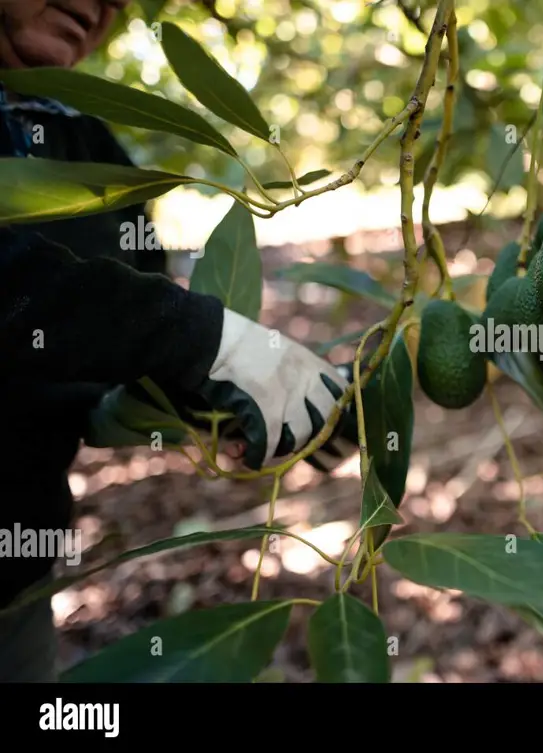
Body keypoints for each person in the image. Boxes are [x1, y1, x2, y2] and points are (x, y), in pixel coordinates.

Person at [0, 1, 356, 681]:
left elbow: (94, 341)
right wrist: (208, 342)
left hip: (17, 589)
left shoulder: (90, 151)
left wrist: (185, 402)